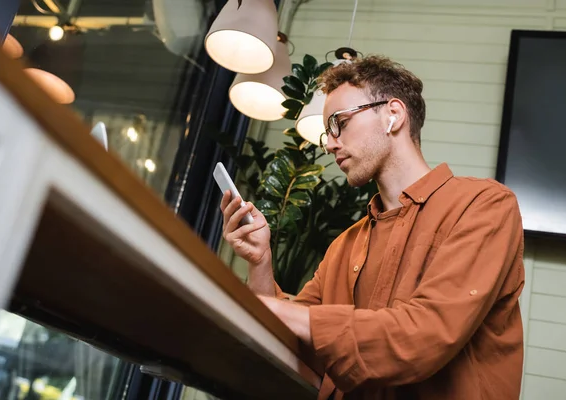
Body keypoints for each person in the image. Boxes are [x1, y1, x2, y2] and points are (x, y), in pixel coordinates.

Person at [220, 55, 525, 400]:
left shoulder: (483, 206)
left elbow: (425, 336)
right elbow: (296, 343)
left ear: (393, 115)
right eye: (327, 133)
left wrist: (274, 309)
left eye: (340, 123)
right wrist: (260, 262)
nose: (331, 143)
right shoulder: (345, 246)